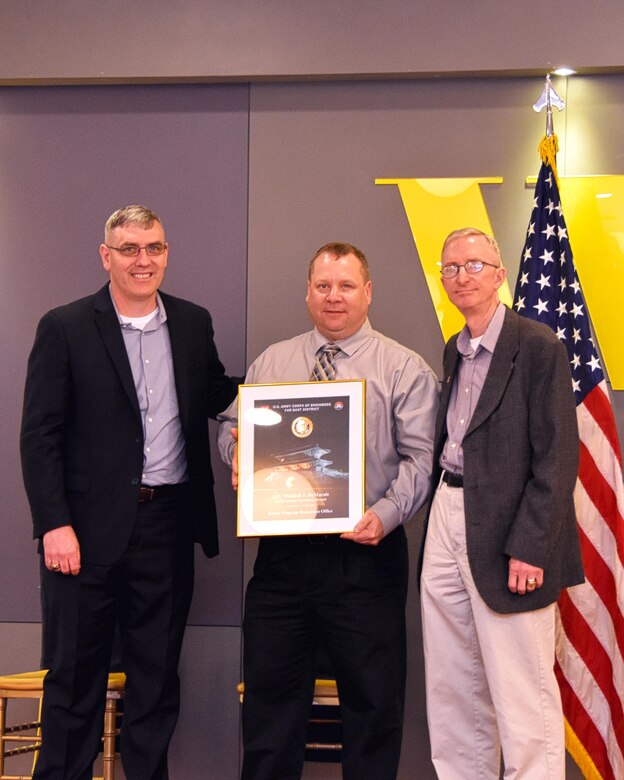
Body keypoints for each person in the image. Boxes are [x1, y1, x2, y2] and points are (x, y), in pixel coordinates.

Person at [20, 205, 239, 780]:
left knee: (156, 679)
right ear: (106, 256)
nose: (144, 260)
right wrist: (53, 524)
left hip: (166, 526)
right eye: (130, 249)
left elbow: (217, 394)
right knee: (72, 681)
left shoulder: (193, 323)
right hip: (82, 535)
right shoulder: (64, 326)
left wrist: (292, 408)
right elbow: (38, 435)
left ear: (166, 253)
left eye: (155, 248)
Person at [218, 242, 439, 780]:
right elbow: (231, 425)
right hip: (282, 563)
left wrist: (384, 517)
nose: (333, 297)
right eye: (323, 286)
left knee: (372, 710)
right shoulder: (274, 360)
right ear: (308, 292)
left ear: (368, 293)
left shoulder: (403, 367)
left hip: (366, 559)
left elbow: (422, 459)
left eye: (345, 286)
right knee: (269, 711)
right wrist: (238, 454)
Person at [419, 227, 584, 779]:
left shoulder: (539, 346)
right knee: (453, 685)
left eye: (473, 265)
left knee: (523, 694)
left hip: (509, 530)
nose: (461, 277)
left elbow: (557, 459)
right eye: (450, 268)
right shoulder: (454, 348)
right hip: (447, 512)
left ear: (499, 274)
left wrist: (531, 547)